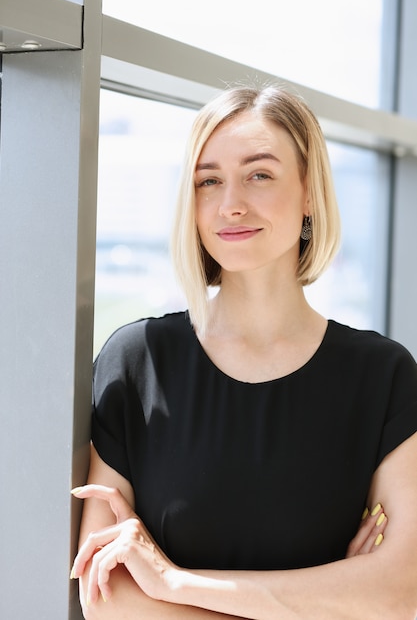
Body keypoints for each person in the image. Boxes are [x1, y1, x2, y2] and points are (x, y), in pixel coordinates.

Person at [71, 83, 417, 619]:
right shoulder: (137, 362)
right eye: (209, 181)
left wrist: (171, 581)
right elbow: (107, 597)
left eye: (259, 174)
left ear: (309, 193)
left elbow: (401, 590)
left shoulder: (384, 375)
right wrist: (330, 602)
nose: (231, 204)